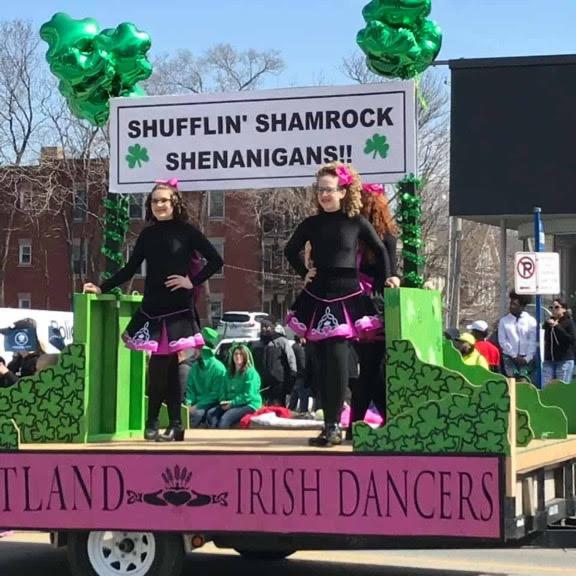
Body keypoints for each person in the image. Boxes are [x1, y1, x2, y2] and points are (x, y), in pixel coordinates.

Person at [83, 179, 223, 442]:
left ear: (174, 203)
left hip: (178, 308)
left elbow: (216, 260)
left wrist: (191, 281)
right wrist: (102, 287)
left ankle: (159, 423)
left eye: (164, 200)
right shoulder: (147, 234)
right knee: (162, 367)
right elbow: (130, 267)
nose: (159, 205)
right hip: (153, 307)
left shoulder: (187, 231)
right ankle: (168, 425)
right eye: (154, 201)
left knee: (165, 365)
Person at [284, 162, 390, 447]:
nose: (324, 195)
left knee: (339, 362)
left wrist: (387, 279)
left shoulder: (356, 222)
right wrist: (303, 272)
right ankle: (330, 423)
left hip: (347, 295)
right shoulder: (311, 223)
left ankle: (334, 428)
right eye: (320, 190)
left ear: (343, 192)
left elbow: (381, 250)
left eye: (329, 190)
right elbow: (289, 249)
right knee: (320, 364)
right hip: (318, 294)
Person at [347, 182, 400, 439]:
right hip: (377, 311)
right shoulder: (386, 238)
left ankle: (367, 422)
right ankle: (361, 424)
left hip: (355, 308)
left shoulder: (355, 238)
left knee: (371, 368)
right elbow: (390, 275)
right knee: (372, 368)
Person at [206, 344, 262, 428]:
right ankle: (213, 437)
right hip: (230, 403)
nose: (238, 356)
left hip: (249, 404)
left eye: (241, 354)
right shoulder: (229, 372)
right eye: (236, 354)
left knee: (224, 419)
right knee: (211, 414)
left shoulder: (251, 373)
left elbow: (248, 395)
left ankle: (222, 439)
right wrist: (223, 400)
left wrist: (232, 403)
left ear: (245, 356)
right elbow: (222, 389)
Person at [186, 327, 227, 427]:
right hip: (197, 404)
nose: (193, 350)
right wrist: (188, 403)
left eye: (196, 348)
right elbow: (190, 389)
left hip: (213, 403)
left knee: (197, 414)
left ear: (203, 350)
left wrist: (197, 406)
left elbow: (216, 394)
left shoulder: (219, 368)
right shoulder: (194, 368)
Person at [256, 318, 297, 406]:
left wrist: (293, 372)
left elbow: (290, 357)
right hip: (263, 381)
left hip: (279, 379)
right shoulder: (259, 343)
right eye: (262, 327)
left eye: (266, 327)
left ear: (272, 327)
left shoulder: (281, 341)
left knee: (278, 404)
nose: (264, 329)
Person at [498, 291, 537, 382]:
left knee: (523, 381)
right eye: (511, 303)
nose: (511, 306)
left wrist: (527, 358)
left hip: (526, 358)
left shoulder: (530, 321)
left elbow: (533, 341)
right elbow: (502, 341)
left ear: (522, 306)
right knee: (511, 382)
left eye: (515, 304)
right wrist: (514, 355)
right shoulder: (504, 321)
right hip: (510, 357)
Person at [542, 298, 576, 386]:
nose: (553, 310)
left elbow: (571, 339)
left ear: (564, 309)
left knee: (561, 388)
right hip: (549, 360)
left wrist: (557, 327)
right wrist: (548, 325)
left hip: (564, 360)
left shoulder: (569, 322)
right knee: (545, 386)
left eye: (557, 307)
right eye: (551, 307)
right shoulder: (549, 322)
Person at [288, 335, 310, 413]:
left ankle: (290, 409)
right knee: (303, 395)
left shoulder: (293, 347)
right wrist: (305, 373)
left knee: (295, 394)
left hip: (295, 375)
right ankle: (303, 411)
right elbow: (302, 362)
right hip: (301, 375)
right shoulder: (299, 349)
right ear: (301, 339)